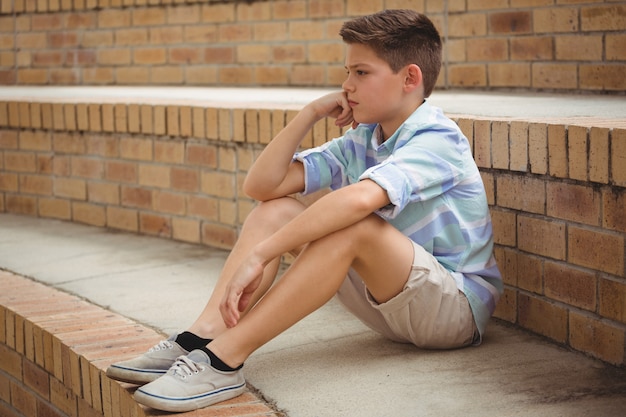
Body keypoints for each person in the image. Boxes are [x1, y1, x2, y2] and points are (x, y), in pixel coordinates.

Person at [106, 9, 502, 413]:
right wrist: (309, 114)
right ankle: (204, 334)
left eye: (361, 73)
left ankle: (224, 360)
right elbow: (263, 186)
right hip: (389, 300)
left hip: (453, 311)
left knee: (354, 226)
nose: (347, 86)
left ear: (410, 78)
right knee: (274, 210)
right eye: (347, 72)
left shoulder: (437, 138)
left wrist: (261, 255)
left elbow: (359, 201)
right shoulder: (363, 139)